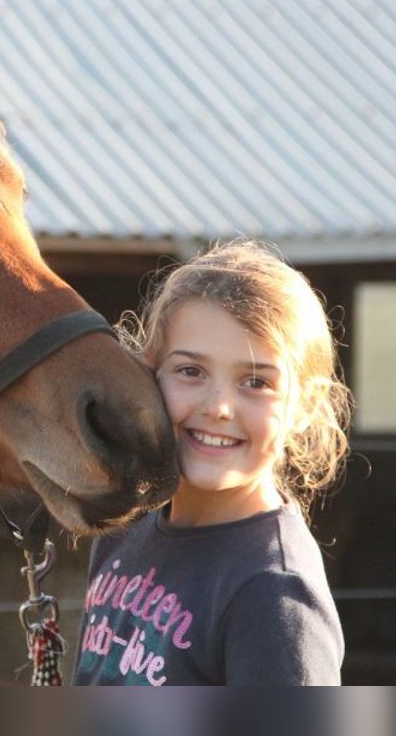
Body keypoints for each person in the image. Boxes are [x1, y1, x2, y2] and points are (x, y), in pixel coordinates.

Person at [72, 240, 351, 685]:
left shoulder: (273, 593)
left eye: (256, 382)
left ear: (304, 405)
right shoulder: (124, 531)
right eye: (191, 372)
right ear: (149, 374)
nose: (219, 406)